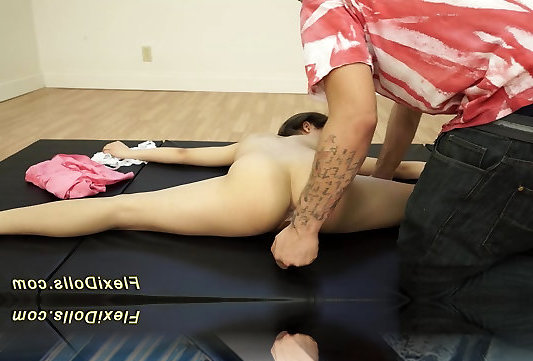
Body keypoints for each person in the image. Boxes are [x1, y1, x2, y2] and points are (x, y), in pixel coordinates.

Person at [272, 0, 533, 300]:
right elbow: (409, 104)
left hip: (514, 108)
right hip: (520, 96)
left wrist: (302, 229)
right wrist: (382, 177)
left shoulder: (328, 6)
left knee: (425, 270)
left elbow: (355, 119)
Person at [0, 113, 424, 238]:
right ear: (309, 128)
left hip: (254, 190)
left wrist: (130, 152)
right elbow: (404, 169)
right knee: (423, 203)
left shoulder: (256, 141)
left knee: (120, 210)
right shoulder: (327, 149)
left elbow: (187, 154)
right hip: (324, 192)